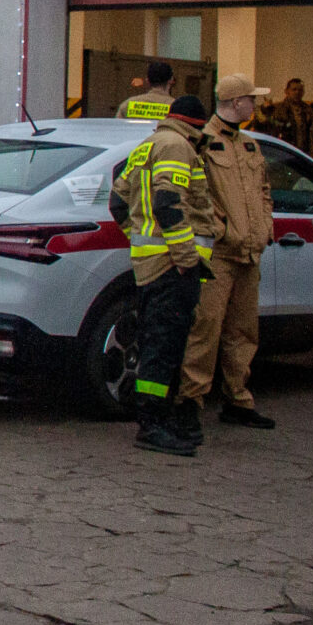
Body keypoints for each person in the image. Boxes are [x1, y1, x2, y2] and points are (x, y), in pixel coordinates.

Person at [111, 94, 213, 457]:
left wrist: (140, 240)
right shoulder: (177, 147)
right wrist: (185, 258)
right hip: (173, 267)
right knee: (164, 348)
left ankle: (159, 420)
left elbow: (117, 203)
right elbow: (168, 203)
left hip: (152, 264)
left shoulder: (148, 145)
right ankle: (152, 425)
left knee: (158, 344)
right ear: (197, 124)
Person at [178, 75, 278, 438]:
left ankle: (238, 398)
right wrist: (217, 227)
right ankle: (190, 401)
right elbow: (193, 192)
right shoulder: (202, 142)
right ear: (236, 102)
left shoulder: (249, 145)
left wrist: (264, 226)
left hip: (248, 252)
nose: (256, 104)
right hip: (218, 253)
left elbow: (263, 190)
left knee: (243, 330)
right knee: (205, 328)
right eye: (252, 99)